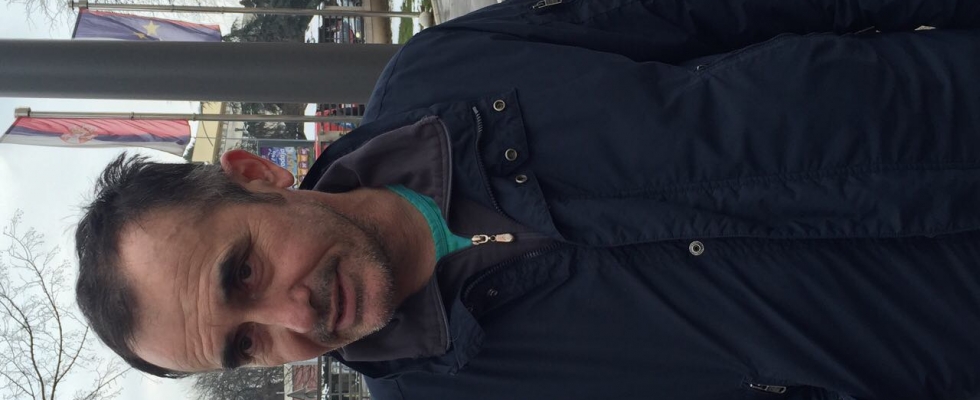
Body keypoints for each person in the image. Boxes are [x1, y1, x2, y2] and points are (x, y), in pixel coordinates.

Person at [75, 0, 980, 399]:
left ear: (256, 175)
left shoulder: (441, 74)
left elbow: (716, 12)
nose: (293, 315)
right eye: (245, 345)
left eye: (243, 272)